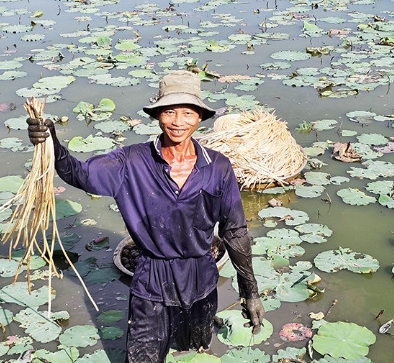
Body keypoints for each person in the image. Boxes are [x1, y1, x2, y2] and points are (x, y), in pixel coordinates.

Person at [27, 70, 265, 362]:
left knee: (197, 352)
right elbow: (79, 174)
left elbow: (235, 231)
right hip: (151, 280)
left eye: (187, 113)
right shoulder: (131, 161)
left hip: (201, 279)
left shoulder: (217, 167)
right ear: (158, 116)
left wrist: (250, 291)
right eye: (169, 112)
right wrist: (51, 143)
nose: (178, 122)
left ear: (200, 116)